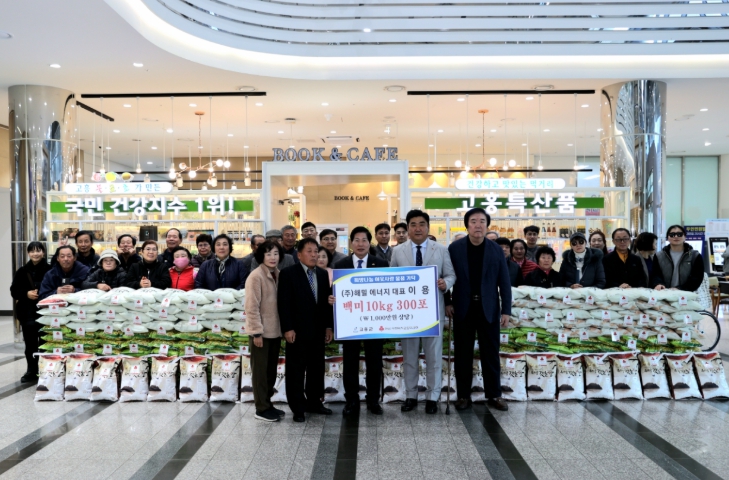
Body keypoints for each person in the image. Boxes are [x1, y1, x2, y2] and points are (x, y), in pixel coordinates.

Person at [390, 210, 456, 415]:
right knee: (409, 356)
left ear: (428, 227)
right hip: (408, 313)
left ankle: (432, 397)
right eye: (413, 224)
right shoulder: (398, 251)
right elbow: (391, 278)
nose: (417, 228)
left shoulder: (441, 249)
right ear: (407, 228)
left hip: (432, 312)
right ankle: (410, 395)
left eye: (421, 224)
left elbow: (451, 275)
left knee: (434, 357)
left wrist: (445, 283)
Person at [448, 208, 511, 412]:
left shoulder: (496, 250)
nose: (478, 225)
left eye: (482, 221)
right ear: (467, 225)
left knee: (490, 353)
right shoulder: (455, 248)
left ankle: (494, 394)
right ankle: (463, 395)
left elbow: (504, 281)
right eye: (473, 221)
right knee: (463, 354)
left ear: (487, 225)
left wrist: (506, 310)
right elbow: (445, 275)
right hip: (463, 308)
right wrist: (447, 302)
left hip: (489, 308)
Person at [331, 226, 389, 416]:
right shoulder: (341, 265)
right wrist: (332, 298)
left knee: (374, 362)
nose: (360, 244)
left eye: (364, 240)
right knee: (350, 363)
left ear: (369, 243)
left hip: (374, 322)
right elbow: (334, 291)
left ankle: (373, 400)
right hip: (350, 323)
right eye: (356, 240)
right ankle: (351, 400)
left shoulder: (381, 264)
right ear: (351, 243)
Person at [277, 238, 334, 423]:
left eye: (316, 251)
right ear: (299, 254)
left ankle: (314, 403)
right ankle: (298, 408)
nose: (314, 255)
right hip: (297, 331)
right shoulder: (288, 274)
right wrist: (288, 328)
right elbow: (283, 304)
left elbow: (325, 304)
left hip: (318, 331)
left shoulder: (322, 274)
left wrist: (328, 326)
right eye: (309, 251)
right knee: (296, 370)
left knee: (316, 369)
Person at [245, 240, 286, 422]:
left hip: (275, 331)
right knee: (260, 372)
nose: (272, 257)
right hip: (261, 334)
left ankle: (268, 404)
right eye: (268, 254)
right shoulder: (256, 276)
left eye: (276, 253)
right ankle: (261, 408)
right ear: (261, 256)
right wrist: (256, 332)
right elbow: (251, 306)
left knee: (270, 371)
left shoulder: (278, 274)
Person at [10, 242, 52, 382]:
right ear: (28, 253)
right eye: (32, 251)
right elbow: (14, 291)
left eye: (38, 250)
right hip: (27, 313)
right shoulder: (22, 271)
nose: (35, 254)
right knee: (30, 344)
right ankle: (31, 370)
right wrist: (26, 294)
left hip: (46, 312)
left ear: (43, 252)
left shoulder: (50, 269)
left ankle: (46, 370)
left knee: (46, 343)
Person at [652, 225, 705, 291]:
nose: (676, 236)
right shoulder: (659, 256)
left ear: (685, 237)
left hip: (686, 293)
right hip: (664, 293)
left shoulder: (695, 256)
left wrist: (680, 288)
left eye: (679, 234)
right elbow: (655, 274)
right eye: (672, 235)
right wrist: (658, 284)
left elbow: (697, 278)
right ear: (668, 238)